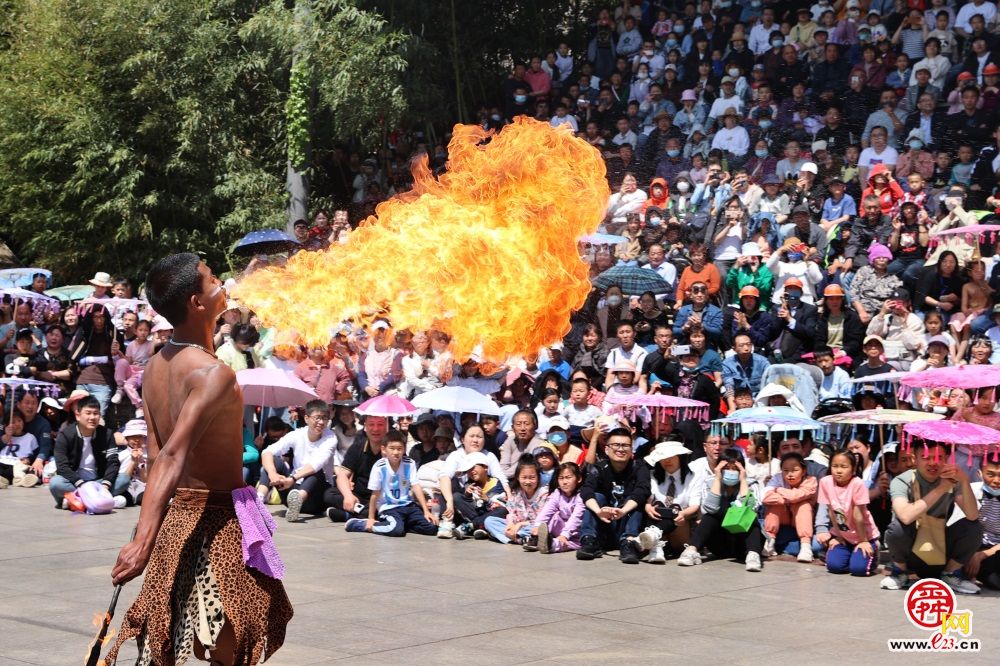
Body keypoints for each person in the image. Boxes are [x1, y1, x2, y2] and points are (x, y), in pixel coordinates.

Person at [105, 254, 291, 665]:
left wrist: (149, 529)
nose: (223, 282)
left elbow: (156, 459)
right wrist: (142, 541)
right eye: (212, 280)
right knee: (230, 646)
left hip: (179, 518)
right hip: (217, 519)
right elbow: (170, 453)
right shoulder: (213, 373)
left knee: (180, 637)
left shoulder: (155, 366)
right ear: (196, 302)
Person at [881, 440, 982, 595]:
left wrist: (964, 480)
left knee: (973, 526)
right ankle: (900, 572)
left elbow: (972, 514)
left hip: (940, 547)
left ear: (947, 458)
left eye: (939, 457)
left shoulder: (953, 479)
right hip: (911, 552)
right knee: (898, 528)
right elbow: (906, 516)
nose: (933, 463)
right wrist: (941, 489)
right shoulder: (902, 480)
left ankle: (950, 574)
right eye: (926, 457)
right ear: (915, 459)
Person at [678, 446, 764, 571]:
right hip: (720, 542)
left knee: (749, 516)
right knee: (711, 514)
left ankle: (753, 556)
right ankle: (691, 550)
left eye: (735, 468)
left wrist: (743, 481)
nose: (730, 471)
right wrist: (717, 478)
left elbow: (749, 509)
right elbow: (710, 508)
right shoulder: (709, 482)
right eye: (726, 468)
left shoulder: (751, 484)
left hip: (743, 544)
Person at [344, 430, 438, 537]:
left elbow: (416, 486)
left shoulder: (409, 463)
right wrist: (371, 518)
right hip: (389, 508)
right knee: (396, 531)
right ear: (384, 449)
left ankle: (402, 524)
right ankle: (361, 524)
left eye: (399, 449)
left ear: (404, 449)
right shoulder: (379, 467)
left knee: (431, 527)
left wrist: (426, 511)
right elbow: (375, 494)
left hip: (408, 505)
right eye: (392, 448)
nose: (396, 452)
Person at [577, 427, 650, 563]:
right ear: (606, 449)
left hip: (627, 521)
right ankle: (589, 540)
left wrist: (623, 510)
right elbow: (586, 490)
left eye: (625, 445)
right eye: (616, 445)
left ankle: (629, 543)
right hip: (605, 523)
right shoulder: (599, 468)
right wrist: (599, 511)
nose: (620, 449)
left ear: (631, 449)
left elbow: (643, 490)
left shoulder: (639, 467)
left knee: (635, 500)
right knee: (597, 497)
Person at [258, 399, 336, 522]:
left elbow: (316, 464)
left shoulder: (331, 438)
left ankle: (298, 500)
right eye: (317, 418)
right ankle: (259, 499)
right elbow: (267, 452)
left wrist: (292, 479)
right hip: (291, 491)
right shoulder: (297, 434)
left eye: (325, 418)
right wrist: (273, 474)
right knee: (274, 461)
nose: (321, 422)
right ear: (306, 418)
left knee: (316, 471)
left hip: (316, 495)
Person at [50, 395, 128, 506]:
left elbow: (113, 462)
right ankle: (101, 501)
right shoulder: (65, 435)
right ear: (78, 415)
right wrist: (82, 485)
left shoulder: (107, 434)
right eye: (88, 413)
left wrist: (106, 485)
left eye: (95, 413)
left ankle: (77, 502)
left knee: (124, 479)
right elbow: (62, 466)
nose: (92, 417)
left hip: (99, 483)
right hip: (76, 483)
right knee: (56, 483)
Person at [816, 450, 880, 576]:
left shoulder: (858, 484)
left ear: (853, 469)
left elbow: (858, 515)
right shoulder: (825, 482)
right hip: (844, 535)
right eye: (835, 466)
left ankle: (873, 549)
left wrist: (863, 541)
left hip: (864, 534)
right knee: (834, 566)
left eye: (844, 467)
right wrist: (839, 536)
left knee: (858, 570)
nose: (838, 471)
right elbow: (831, 511)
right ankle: (851, 555)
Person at [639, 441, 698, 563]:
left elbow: (695, 505)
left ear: (680, 457)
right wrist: (647, 507)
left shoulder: (693, 477)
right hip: (657, 519)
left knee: (675, 508)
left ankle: (654, 535)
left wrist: (683, 514)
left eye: (671, 457)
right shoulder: (652, 476)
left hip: (680, 528)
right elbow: (648, 499)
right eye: (663, 458)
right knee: (658, 506)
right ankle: (656, 544)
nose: (667, 461)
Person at [325, 414, 389, 522]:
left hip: (382, 498)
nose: (375, 429)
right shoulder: (357, 447)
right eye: (371, 424)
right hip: (359, 497)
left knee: (389, 509)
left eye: (380, 424)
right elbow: (342, 475)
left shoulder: (394, 448)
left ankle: (350, 515)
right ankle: (365, 513)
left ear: (387, 426)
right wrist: (348, 496)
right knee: (329, 494)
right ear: (365, 426)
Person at [762, 452, 818, 562]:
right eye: (786, 470)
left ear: (803, 471)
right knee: (775, 505)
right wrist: (785, 500)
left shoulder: (811, 481)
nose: (790, 474)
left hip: (802, 523)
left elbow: (794, 496)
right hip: (782, 521)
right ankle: (770, 541)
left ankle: (805, 547)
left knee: (803, 504)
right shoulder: (777, 478)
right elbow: (765, 497)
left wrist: (778, 490)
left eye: (795, 470)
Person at [444, 451, 508, 540]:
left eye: (473, 467)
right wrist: (467, 495)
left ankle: (472, 525)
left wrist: (487, 499)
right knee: (456, 497)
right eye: (468, 470)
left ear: (485, 467)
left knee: (503, 510)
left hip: (490, 515)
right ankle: (480, 527)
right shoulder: (470, 484)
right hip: (477, 515)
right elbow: (469, 507)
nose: (471, 472)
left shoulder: (496, 484)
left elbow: (502, 505)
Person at [529, 461, 585, 554]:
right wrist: (537, 525)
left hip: (576, 532)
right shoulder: (557, 493)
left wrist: (565, 535)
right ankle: (539, 539)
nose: (564, 482)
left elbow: (577, 517)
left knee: (575, 543)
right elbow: (547, 510)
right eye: (561, 478)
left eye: (568, 478)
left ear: (578, 479)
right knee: (553, 516)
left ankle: (551, 544)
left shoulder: (582, 495)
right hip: (560, 529)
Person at [491, 455, 548, 546]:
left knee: (537, 529)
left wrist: (520, 525)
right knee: (490, 521)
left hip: (531, 526)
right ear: (518, 477)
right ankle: (519, 538)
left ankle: (513, 537)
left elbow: (541, 520)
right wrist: (510, 524)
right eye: (524, 477)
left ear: (538, 477)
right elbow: (511, 512)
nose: (528, 482)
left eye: (532, 478)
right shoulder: (517, 493)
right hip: (516, 526)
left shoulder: (544, 495)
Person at [965, 457, 1000, 589]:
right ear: (979, 474)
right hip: (974, 545)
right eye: (990, 475)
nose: (996, 481)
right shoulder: (971, 491)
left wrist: (980, 556)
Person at [0, 408, 38, 488]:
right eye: (13, 422)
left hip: (18, 464)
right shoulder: (4, 437)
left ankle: (22, 480)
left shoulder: (30, 438)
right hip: (2, 463)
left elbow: (36, 454)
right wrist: (6, 436)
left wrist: (28, 459)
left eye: (19, 421)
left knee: (25, 469)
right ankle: (2, 481)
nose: (17, 424)